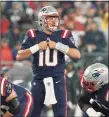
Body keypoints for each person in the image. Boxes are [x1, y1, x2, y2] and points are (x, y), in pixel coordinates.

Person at [16, 6, 81, 117]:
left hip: (58, 80)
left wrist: (57, 46)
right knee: (33, 113)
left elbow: (77, 55)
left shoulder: (64, 34)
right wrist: (36, 47)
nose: (54, 21)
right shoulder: (33, 34)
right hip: (39, 80)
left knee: (60, 114)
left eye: (55, 18)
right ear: (42, 19)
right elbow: (19, 56)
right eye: (50, 18)